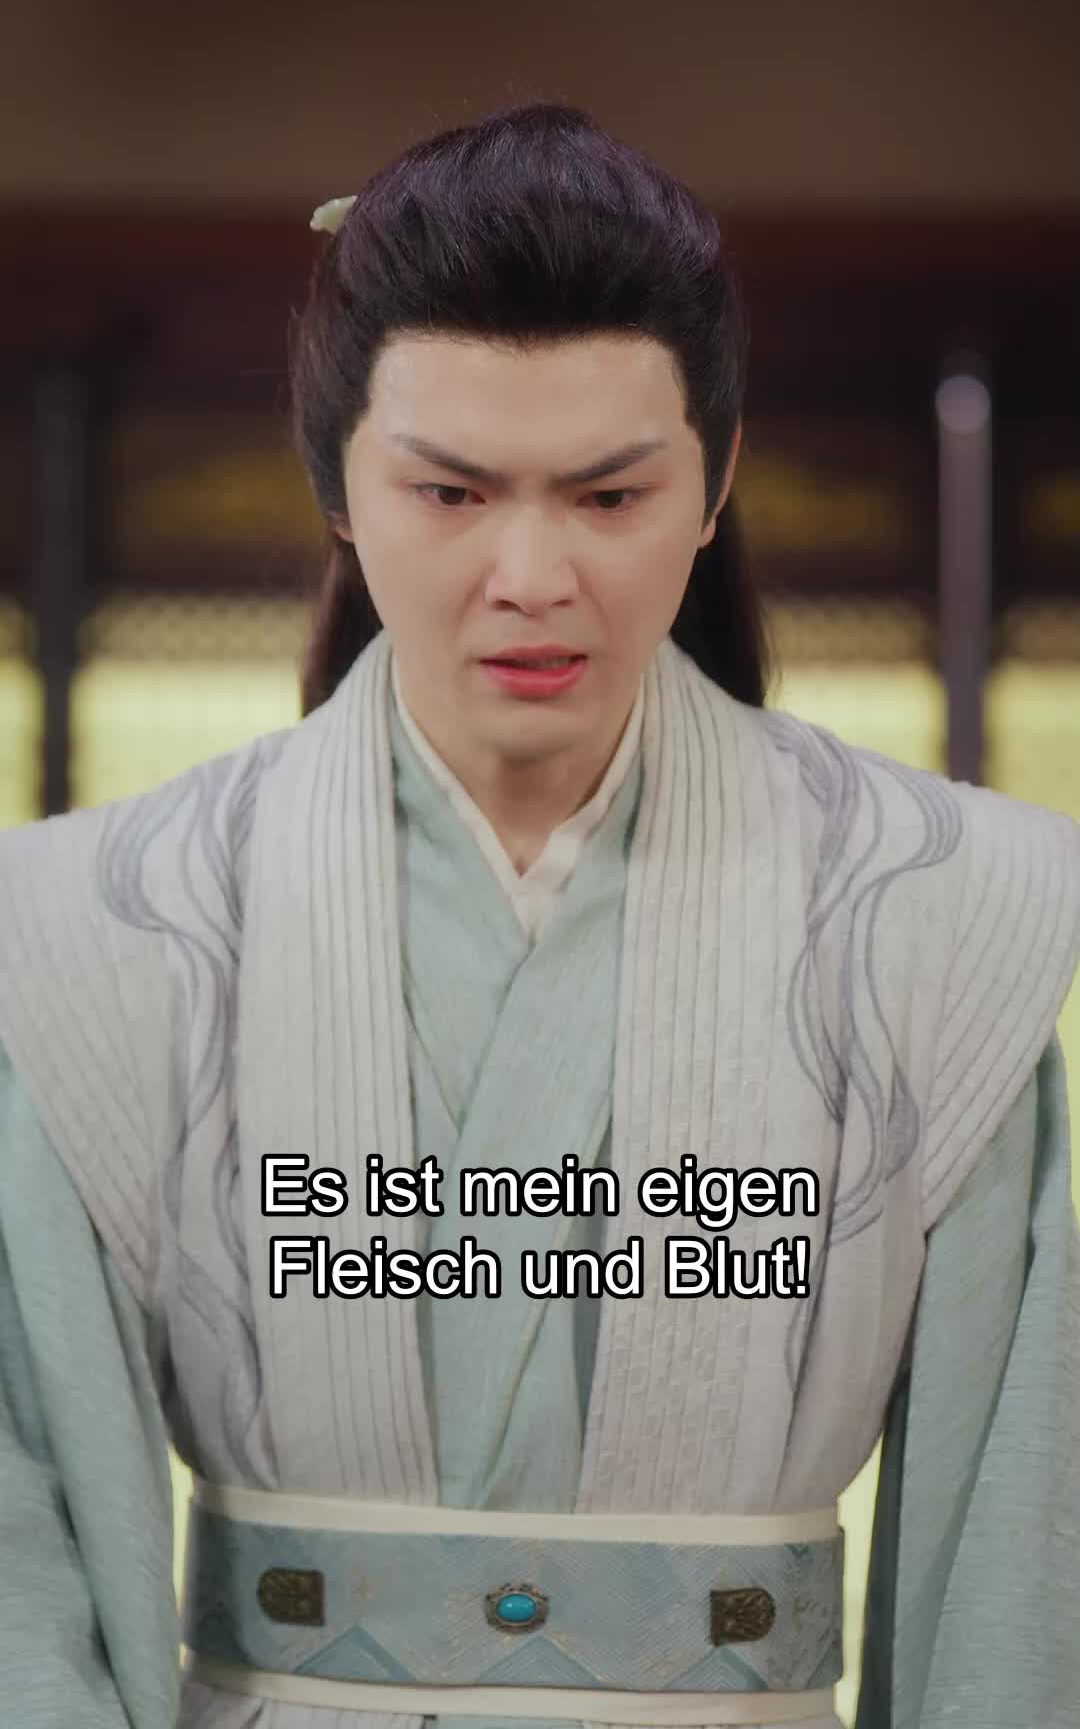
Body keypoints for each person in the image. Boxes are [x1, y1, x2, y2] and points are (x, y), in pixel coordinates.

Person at [0, 101, 1078, 1729]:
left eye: (608, 496)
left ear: (713, 481)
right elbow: (27, 1559)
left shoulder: (945, 917)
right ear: (338, 483)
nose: (530, 574)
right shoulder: (98, 929)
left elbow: (1013, 1575)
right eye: (450, 494)